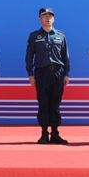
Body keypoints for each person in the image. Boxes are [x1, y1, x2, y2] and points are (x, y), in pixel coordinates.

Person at [25, 8, 70, 145]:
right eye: (45, 16)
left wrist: (66, 74)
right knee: (43, 103)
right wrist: (30, 74)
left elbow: (66, 56)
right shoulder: (34, 36)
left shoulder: (60, 36)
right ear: (40, 19)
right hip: (42, 73)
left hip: (57, 73)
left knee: (55, 103)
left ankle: (55, 133)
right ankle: (44, 133)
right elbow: (29, 56)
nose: (48, 18)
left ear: (54, 19)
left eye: (50, 16)